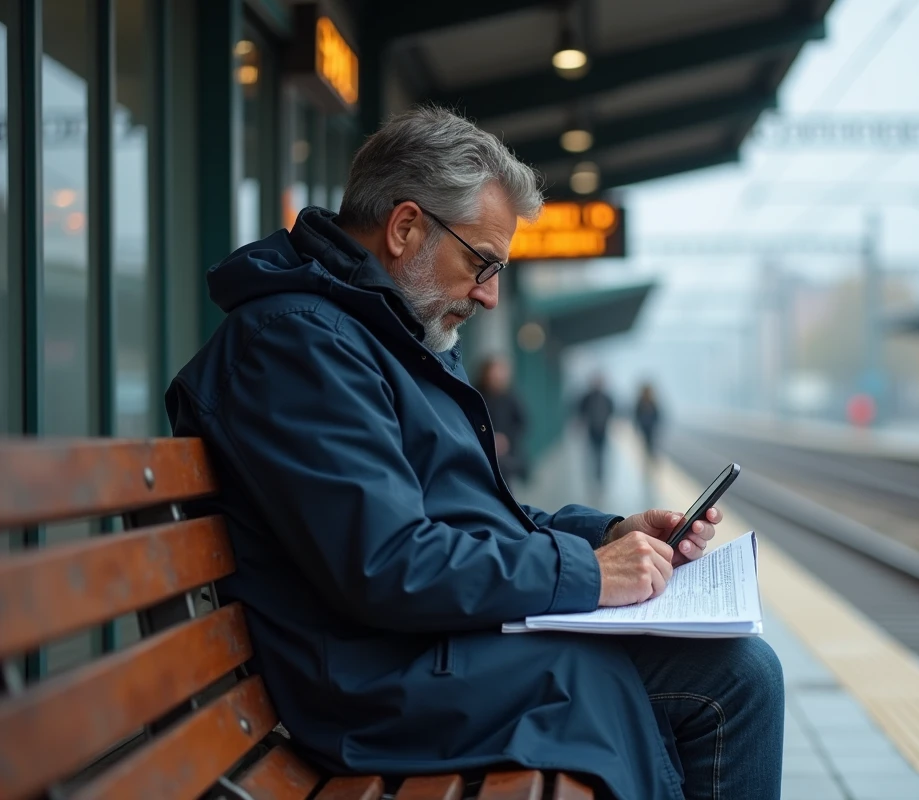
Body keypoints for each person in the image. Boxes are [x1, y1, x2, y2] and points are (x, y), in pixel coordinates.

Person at [165, 106, 783, 800]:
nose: (489, 296)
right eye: (482, 264)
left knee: (738, 671)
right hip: (374, 680)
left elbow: (476, 514)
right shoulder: (299, 345)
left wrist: (608, 536)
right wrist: (587, 573)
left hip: (429, 646)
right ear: (404, 228)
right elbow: (388, 562)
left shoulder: (382, 334)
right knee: (658, 681)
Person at [475, 355, 528, 486]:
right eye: (494, 372)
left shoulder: (511, 397)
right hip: (482, 453)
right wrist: (490, 438)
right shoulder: (476, 395)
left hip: (506, 457)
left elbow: (522, 423)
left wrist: (506, 439)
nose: (498, 377)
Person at [577, 374, 615, 490]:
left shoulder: (606, 397)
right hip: (591, 429)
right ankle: (592, 476)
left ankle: (599, 477)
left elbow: (611, 411)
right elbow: (581, 410)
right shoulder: (588, 397)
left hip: (602, 429)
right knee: (592, 453)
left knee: (600, 455)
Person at [634, 383, 662, 464]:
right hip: (644, 428)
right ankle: (648, 461)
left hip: (651, 428)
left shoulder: (652, 402)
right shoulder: (641, 403)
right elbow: (637, 415)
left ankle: (651, 460)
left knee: (651, 446)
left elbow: (657, 415)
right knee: (646, 446)